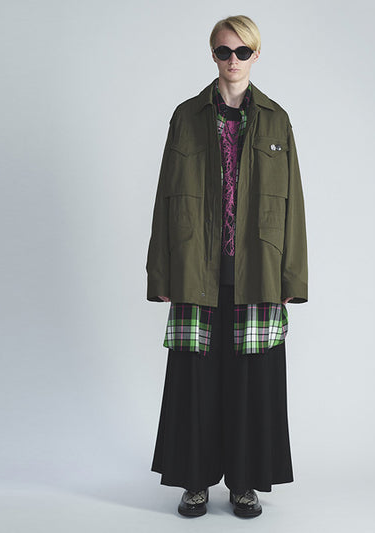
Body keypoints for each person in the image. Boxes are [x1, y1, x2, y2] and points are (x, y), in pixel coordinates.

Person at [146, 15, 308, 518]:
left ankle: (244, 483)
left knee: (251, 383)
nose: (232, 60)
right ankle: (194, 482)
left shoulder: (277, 120)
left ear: (256, 54)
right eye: (223, 51)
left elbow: (294, 204)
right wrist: (160, 272)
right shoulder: (186, 116)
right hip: (195, 265)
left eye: (242, 52)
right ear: (212, 54)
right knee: (195, 380)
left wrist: (292, 277)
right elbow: (165, 197)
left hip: (257, 267)